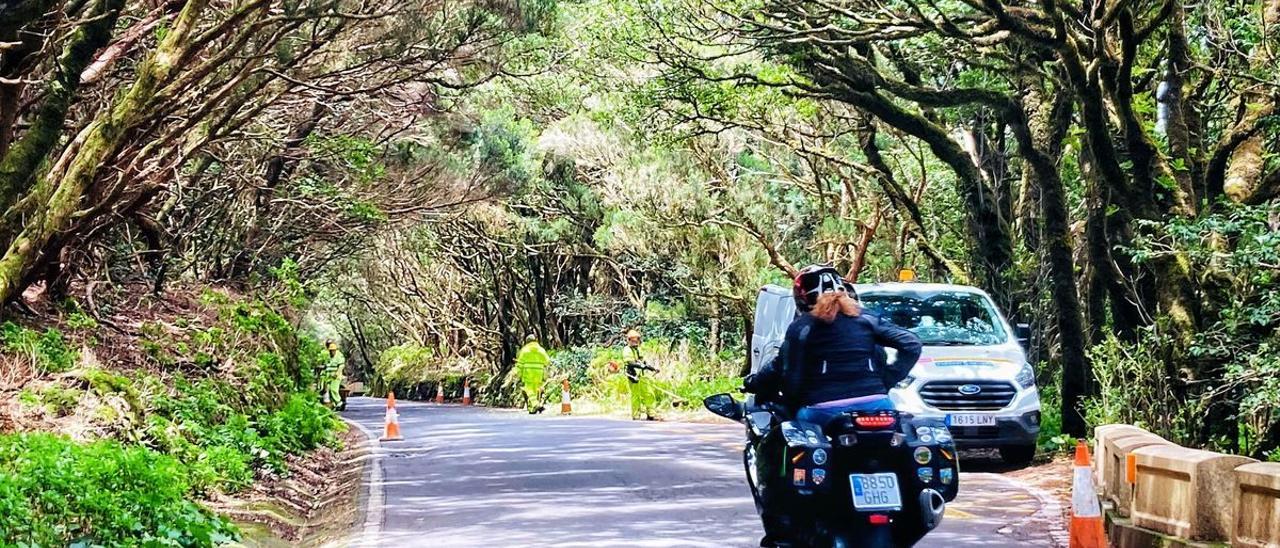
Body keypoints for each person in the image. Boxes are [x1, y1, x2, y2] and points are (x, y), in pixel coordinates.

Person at [748, 265, 922, 547]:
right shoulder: (865, 319)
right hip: (880, 408)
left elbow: (791, 379)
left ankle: (791, 521)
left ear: (802, 298)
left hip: (822, 411)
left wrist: (793, 404)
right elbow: (911, 344)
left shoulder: (802, 328)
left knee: (790, 443)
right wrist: (884, 382)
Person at [621, 329, 659, 420]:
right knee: (635, 396)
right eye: (633, 340)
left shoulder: (638, 349)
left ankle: (651, 414)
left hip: (642, 376)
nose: (635, 342)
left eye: (636, 340)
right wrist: (641, 366)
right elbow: (630, 363)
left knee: (649, 394)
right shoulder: (627, 350)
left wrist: (652, 369)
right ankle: (636, 415)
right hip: (633, 375)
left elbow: (643, 362)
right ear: (629, 340)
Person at [515, 334, 550, 414]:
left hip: (528, 373)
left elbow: (520, 363)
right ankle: (532, 409)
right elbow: (547, 361)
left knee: (529, 390)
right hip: (539, 373)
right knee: (537, 390)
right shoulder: (541, 350)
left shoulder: (524, 350)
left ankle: (535, 404)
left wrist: (517, 373)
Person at [322, 340, 345, 410]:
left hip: (335, 376)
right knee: (327, 390)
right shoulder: (328, 356)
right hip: (328, 376)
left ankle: (339, 402)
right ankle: (335, 404)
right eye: (331, 351)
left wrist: (337, 373)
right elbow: (326, 365)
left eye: (333, 351)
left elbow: (341, 365)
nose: (332, 352)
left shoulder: (339, 356)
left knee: (333, 389)